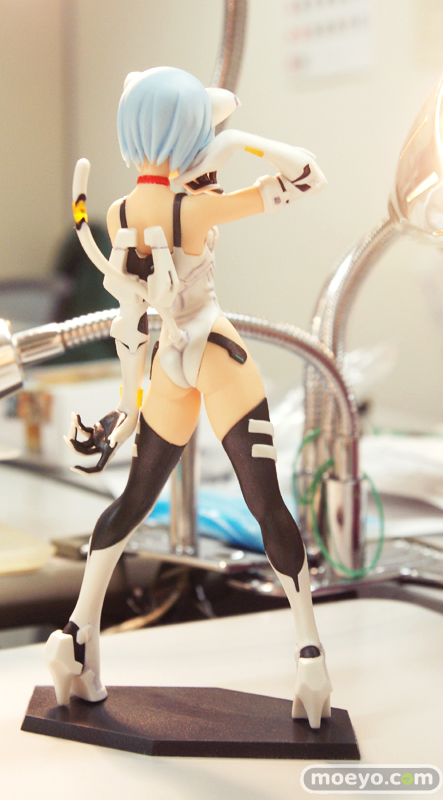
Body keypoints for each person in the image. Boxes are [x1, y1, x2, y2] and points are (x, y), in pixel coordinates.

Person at [44, 66, 331, 729]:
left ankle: (76, 636)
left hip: (165, 363)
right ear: (190, 133)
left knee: (132, 500)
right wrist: (236, 144)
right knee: (265, 503)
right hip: (213, 351)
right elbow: (309, 176)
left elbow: (130, 321)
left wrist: (124, 408)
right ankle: (309, 658)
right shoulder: (195, 209)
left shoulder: (116, 213)